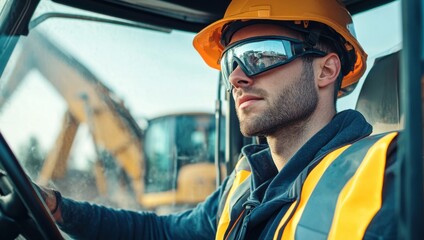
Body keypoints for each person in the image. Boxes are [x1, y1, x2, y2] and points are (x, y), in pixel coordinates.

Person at [37, 0, 398, 239]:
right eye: (231, 62)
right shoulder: (243, 187)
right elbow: (163, 233)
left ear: (326, 70)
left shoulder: (388, 177)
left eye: (260, 55)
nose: (237, 78)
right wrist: (59, 208)